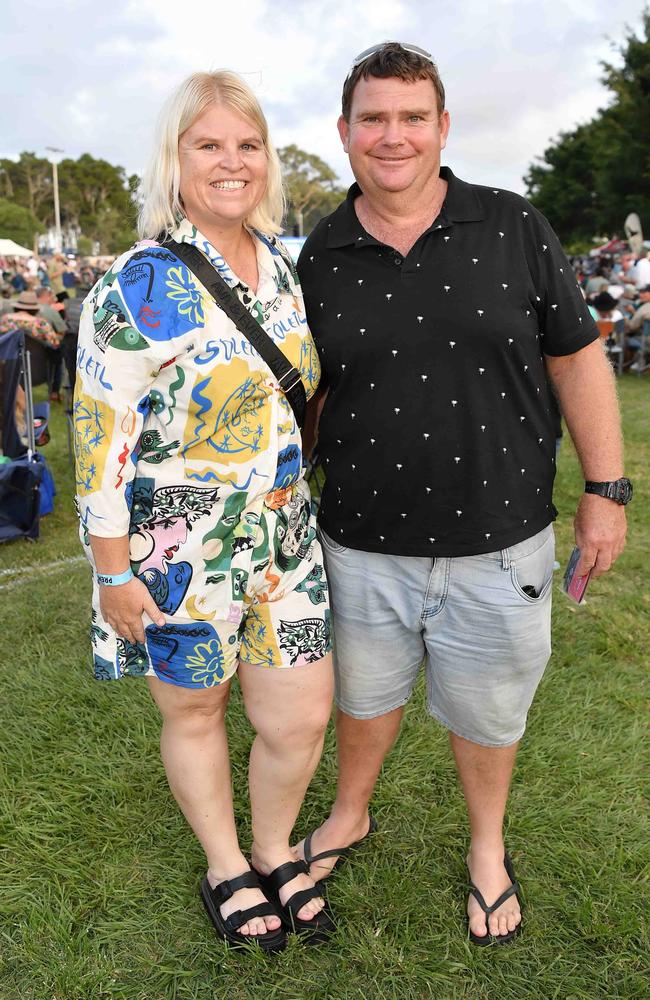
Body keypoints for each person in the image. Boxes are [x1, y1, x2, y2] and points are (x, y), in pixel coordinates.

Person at [295, 42, 630, 946]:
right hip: (359, 541)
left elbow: (577, 357)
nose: (392, 136)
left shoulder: (512, 224)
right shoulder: (317, 256)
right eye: (374, 118)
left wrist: (608, 488)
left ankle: (487, 848)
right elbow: (307, 400)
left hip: (501, 538)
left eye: (412, 117)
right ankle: (349, 814)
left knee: (488, 713)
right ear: (345, 131)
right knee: (363, 701)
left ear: (442, 128)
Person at [73, 70, 334, 952]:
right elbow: (98, 437)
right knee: (194, 710)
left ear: (267, 160)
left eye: (247, 144)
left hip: (286, 537)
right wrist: (112, 571)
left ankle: (274, 849)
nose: (232, 162)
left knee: (298, 716)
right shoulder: (136, 284)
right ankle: (227, 864)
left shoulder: (286, 269)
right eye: (208, 145)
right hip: (179, 541)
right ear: (175, 161)